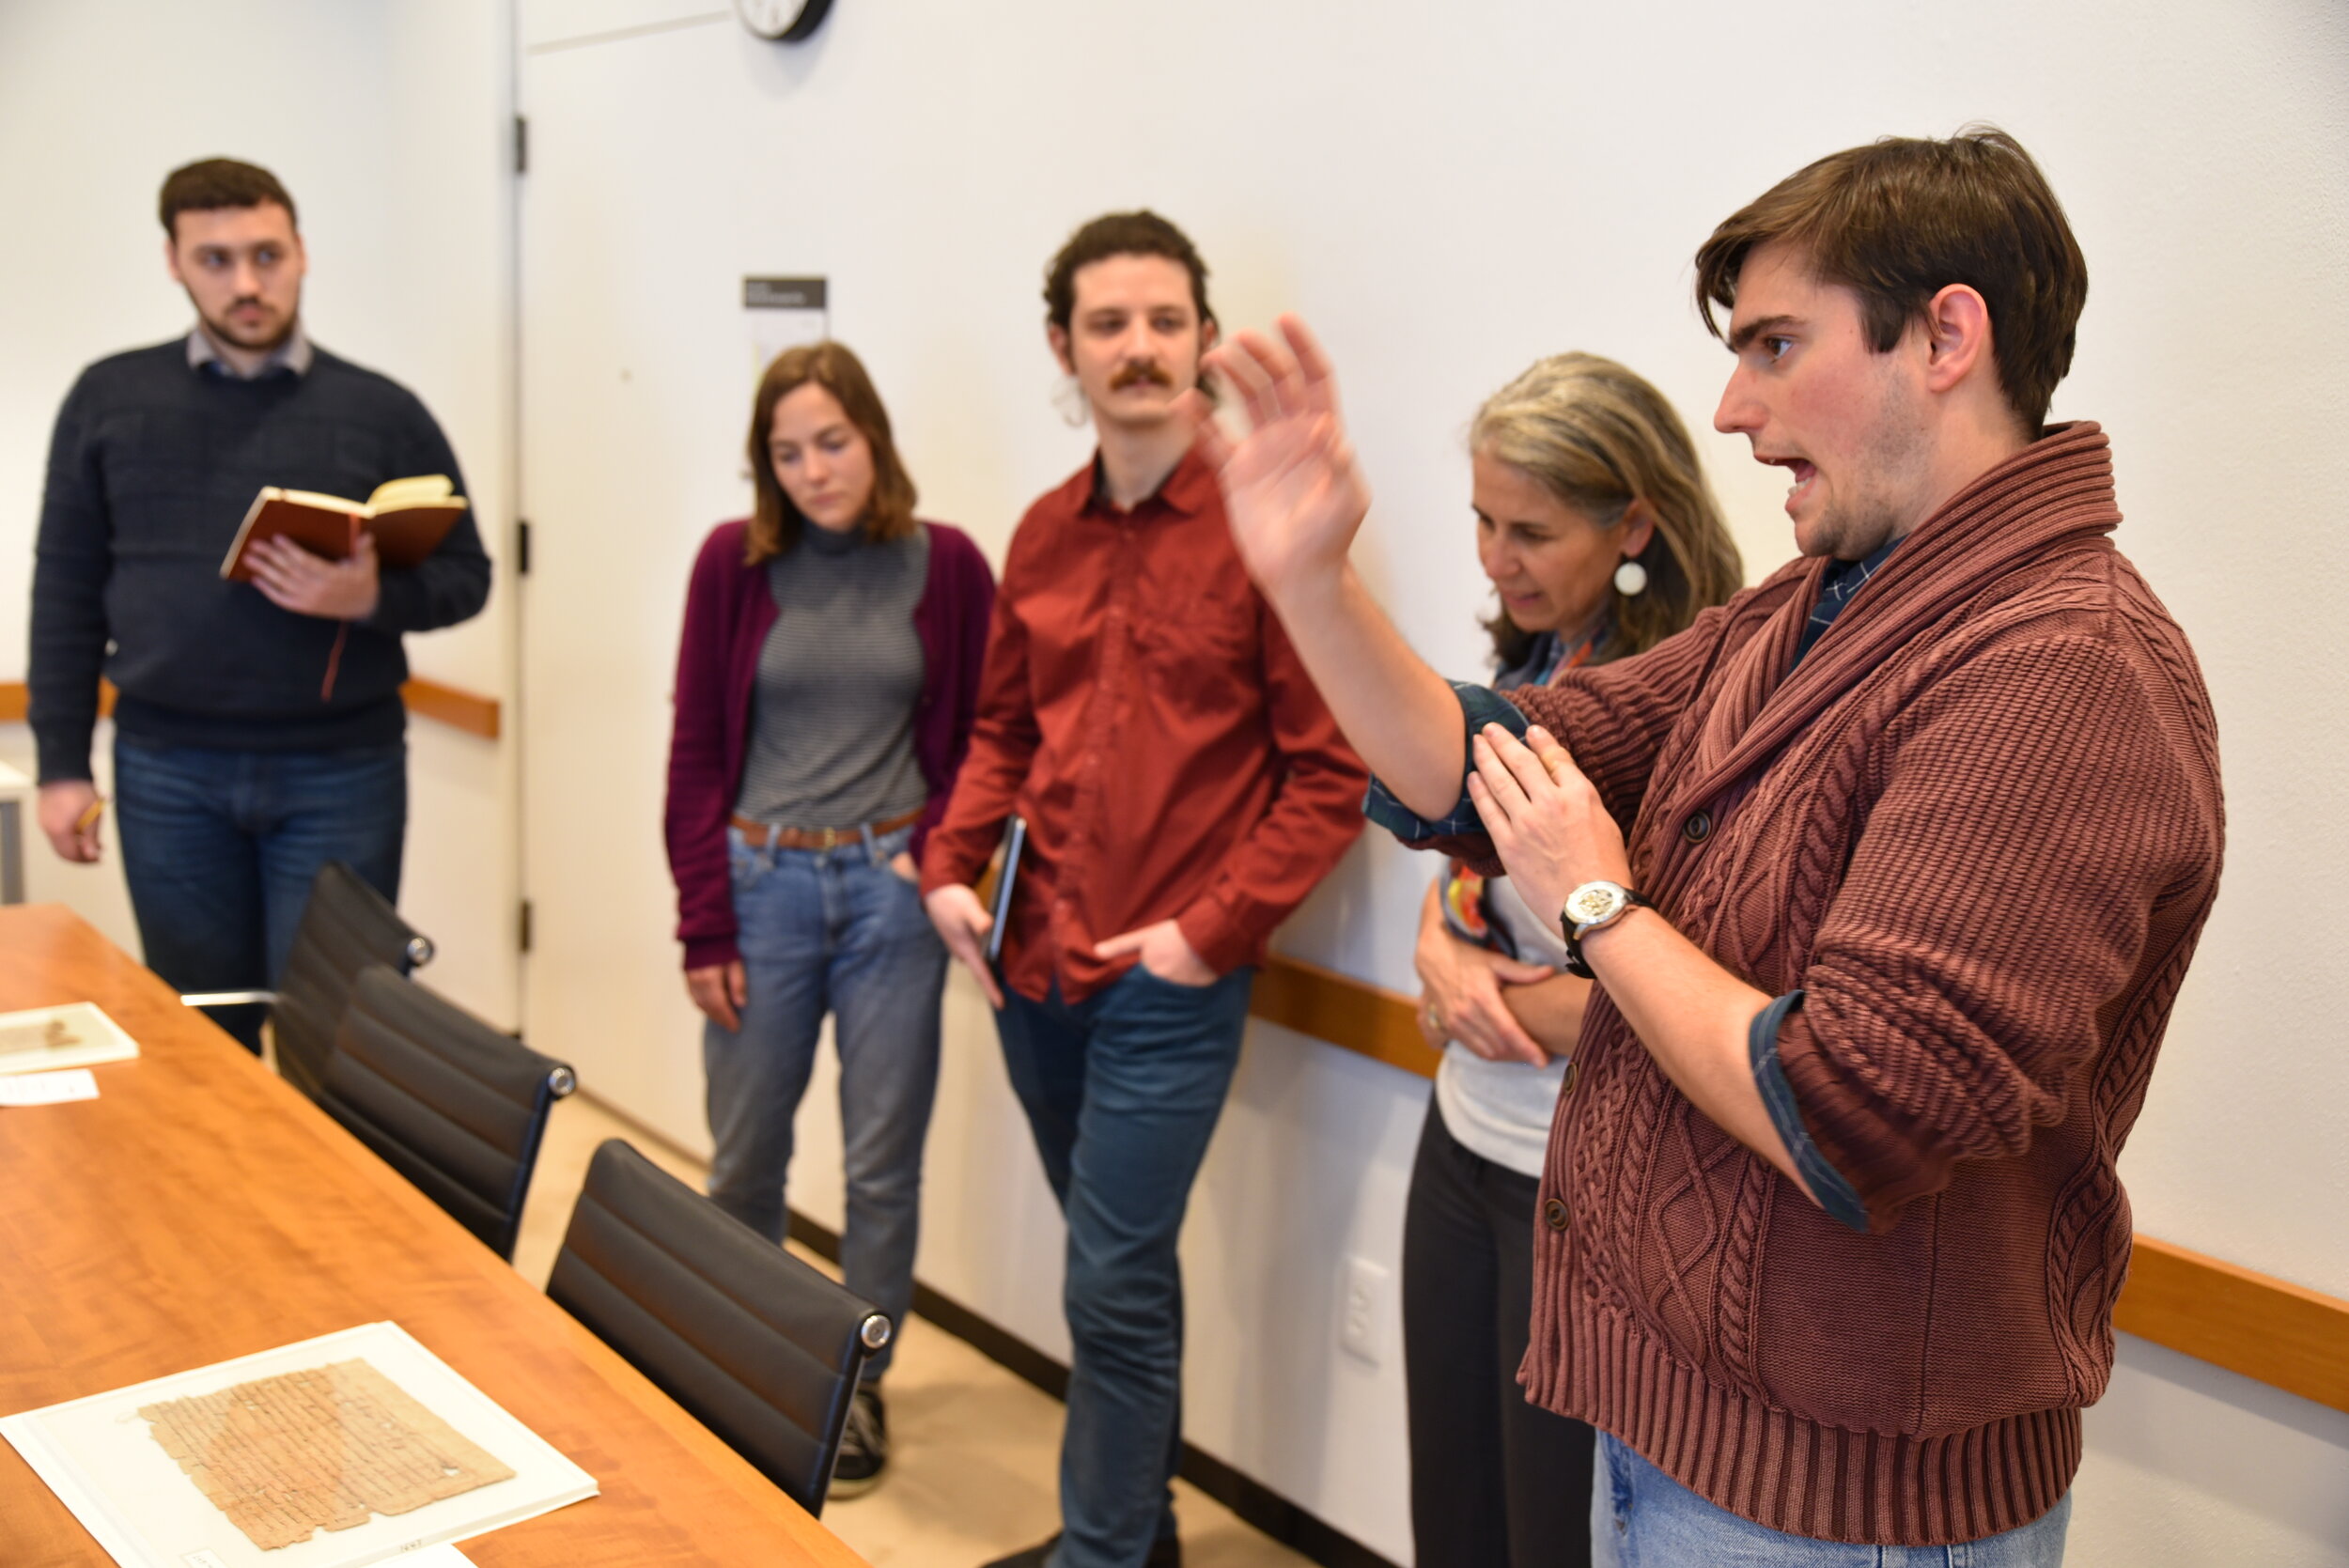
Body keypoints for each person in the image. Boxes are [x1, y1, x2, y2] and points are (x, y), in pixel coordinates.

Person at [1197, 128, 2222, 1564]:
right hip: (1675, 1438)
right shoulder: (1812, 610)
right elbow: (1487, 760)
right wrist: (1313, 583)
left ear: (1947, 334)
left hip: (1841, 1507)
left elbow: (1854, 1108)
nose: (1733, 410)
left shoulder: (2059, 666)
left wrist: (1595, 903)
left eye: (1777, 345)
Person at [919, 211, 1367, 1568]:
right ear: (1065, 346)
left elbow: (1329, 772)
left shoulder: (1263, 526)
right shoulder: (1044, 530)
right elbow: (1005, 729)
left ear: (1201, 337)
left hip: (1164, 982)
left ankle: (1103, 1551)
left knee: (1109, 1279)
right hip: (1028, 965)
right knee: (1115, 1272)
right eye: (1109, 324)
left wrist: (1206, 935)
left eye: (1167, 320)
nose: (1141, 348)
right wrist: (950, 860)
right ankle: (1142, 1532)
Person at [29, 158, 490, 1053]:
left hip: (340, 769)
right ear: (173, 261)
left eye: (267, 255)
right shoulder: (107, 398)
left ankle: (331, 1202)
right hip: (169, 769)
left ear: (303, 251)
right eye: (216, 259)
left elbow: (467, 576)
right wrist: (61, 763)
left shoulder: (382, 411)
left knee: (338, 1032)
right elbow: (66, 588)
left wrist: (370, 596)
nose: (247, 284)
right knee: (201, 1041)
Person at [1403, 354, 1740, 1568]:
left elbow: (1676, 987)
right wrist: (1441, 946)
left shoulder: (1694, 702)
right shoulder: (1530, 664)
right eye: (1485, 521)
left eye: (1532, 530)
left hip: (1586, 1181)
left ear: (1634, 521)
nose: (1498, 557)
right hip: (1466, 1137)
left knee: (1551, 1531)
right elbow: (1463, 872)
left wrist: (1512, 1001)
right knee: (1453, 1514)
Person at [663, 340, 994, 1498]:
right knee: (748, 1152)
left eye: (832, 442)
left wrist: (939, 854)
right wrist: (704, 922)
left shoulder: (945, 565)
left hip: (889, 899)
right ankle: (746, 1357)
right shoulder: (732, 564)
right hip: (762, 888)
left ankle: (855, 1386)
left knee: (880, 1164)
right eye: (786, 452)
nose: (813, 470)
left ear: (873, 435)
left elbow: (978, 741)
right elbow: (697, 749)